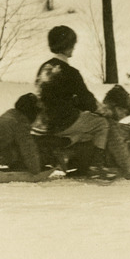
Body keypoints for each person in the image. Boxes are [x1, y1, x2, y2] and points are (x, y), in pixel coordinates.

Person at [31, 25, 109, 175]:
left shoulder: (44, 68)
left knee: (83, 127)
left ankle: (66, 153)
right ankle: (96, 166)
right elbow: (88, 101)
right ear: (68, 46)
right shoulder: (71, 73)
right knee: (100, 125)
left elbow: (52, 96)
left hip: (41, 123)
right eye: (72, 44)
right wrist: (103, 111)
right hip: (61, 122)